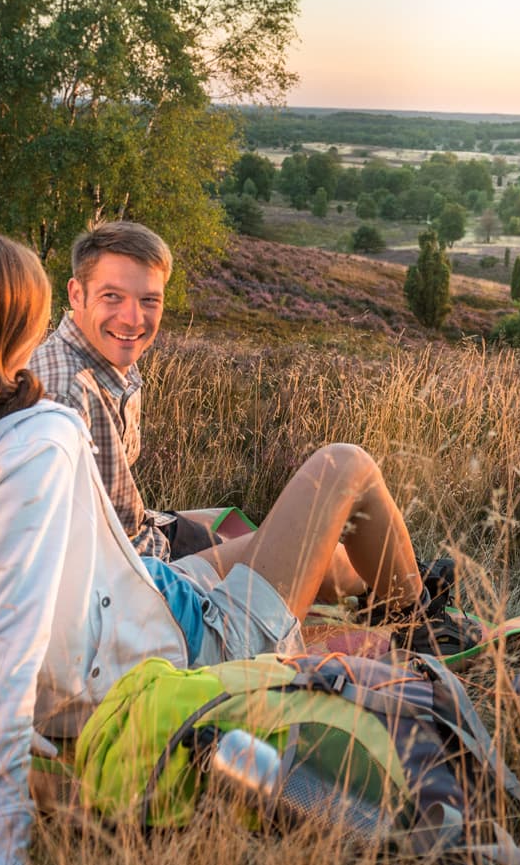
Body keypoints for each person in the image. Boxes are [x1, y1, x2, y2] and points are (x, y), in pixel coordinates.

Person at [0, 231, 423, 865]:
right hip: (179, 644)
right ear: (14, 323)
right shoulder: (35, 441)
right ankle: (420, 618)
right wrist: (2, 846)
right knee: (344, 465)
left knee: (311, 558)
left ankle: (381, 591)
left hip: (137, 595)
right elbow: (5, 646)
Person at [29, 220, 371, 600]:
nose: (132, 318)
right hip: (139, 577)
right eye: (112, 296)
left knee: (242, 527)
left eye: (148, 301)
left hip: (140, 538)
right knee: (313, 556)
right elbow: (101, 549)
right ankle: (405, 602)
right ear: (76, 294)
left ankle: (403, 581)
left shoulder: (100, 356)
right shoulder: (70, 393)